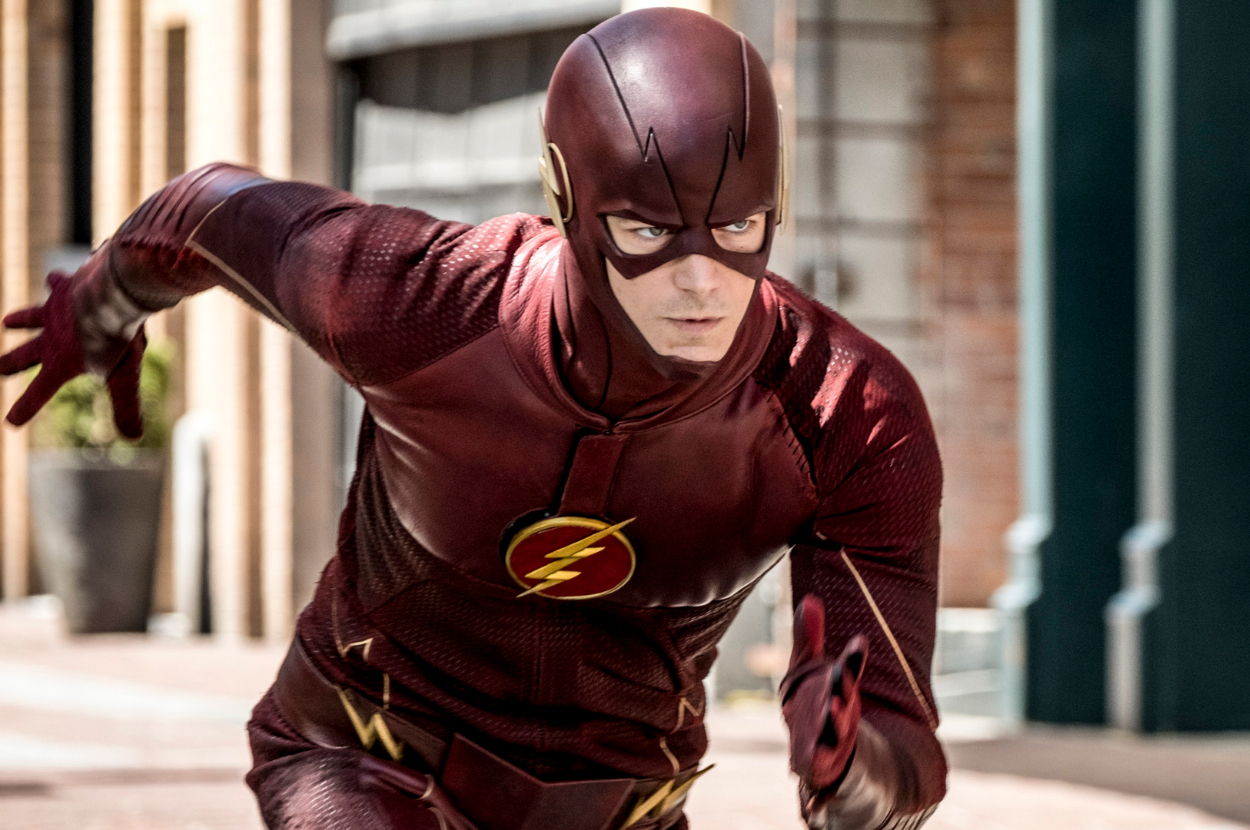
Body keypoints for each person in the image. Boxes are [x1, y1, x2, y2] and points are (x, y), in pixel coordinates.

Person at [0, 9, 945, 830]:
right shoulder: (417, 298)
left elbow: (905, 763)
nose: (701, 281)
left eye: (738, 229)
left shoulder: (846, 414)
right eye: (649, 232)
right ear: (569, 200)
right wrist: (96, 311)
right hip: (364, 759)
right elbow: (209, 208)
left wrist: (853, 765)